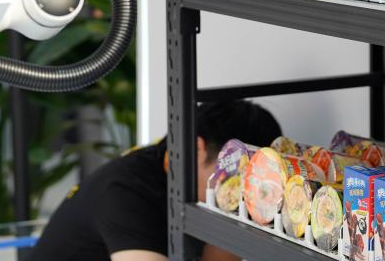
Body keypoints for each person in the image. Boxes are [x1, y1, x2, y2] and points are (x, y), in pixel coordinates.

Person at [29, 100, 282, 261]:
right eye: (237, 179)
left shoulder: (170, 167)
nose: (243, 194)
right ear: (196, 149)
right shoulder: (127, 193)